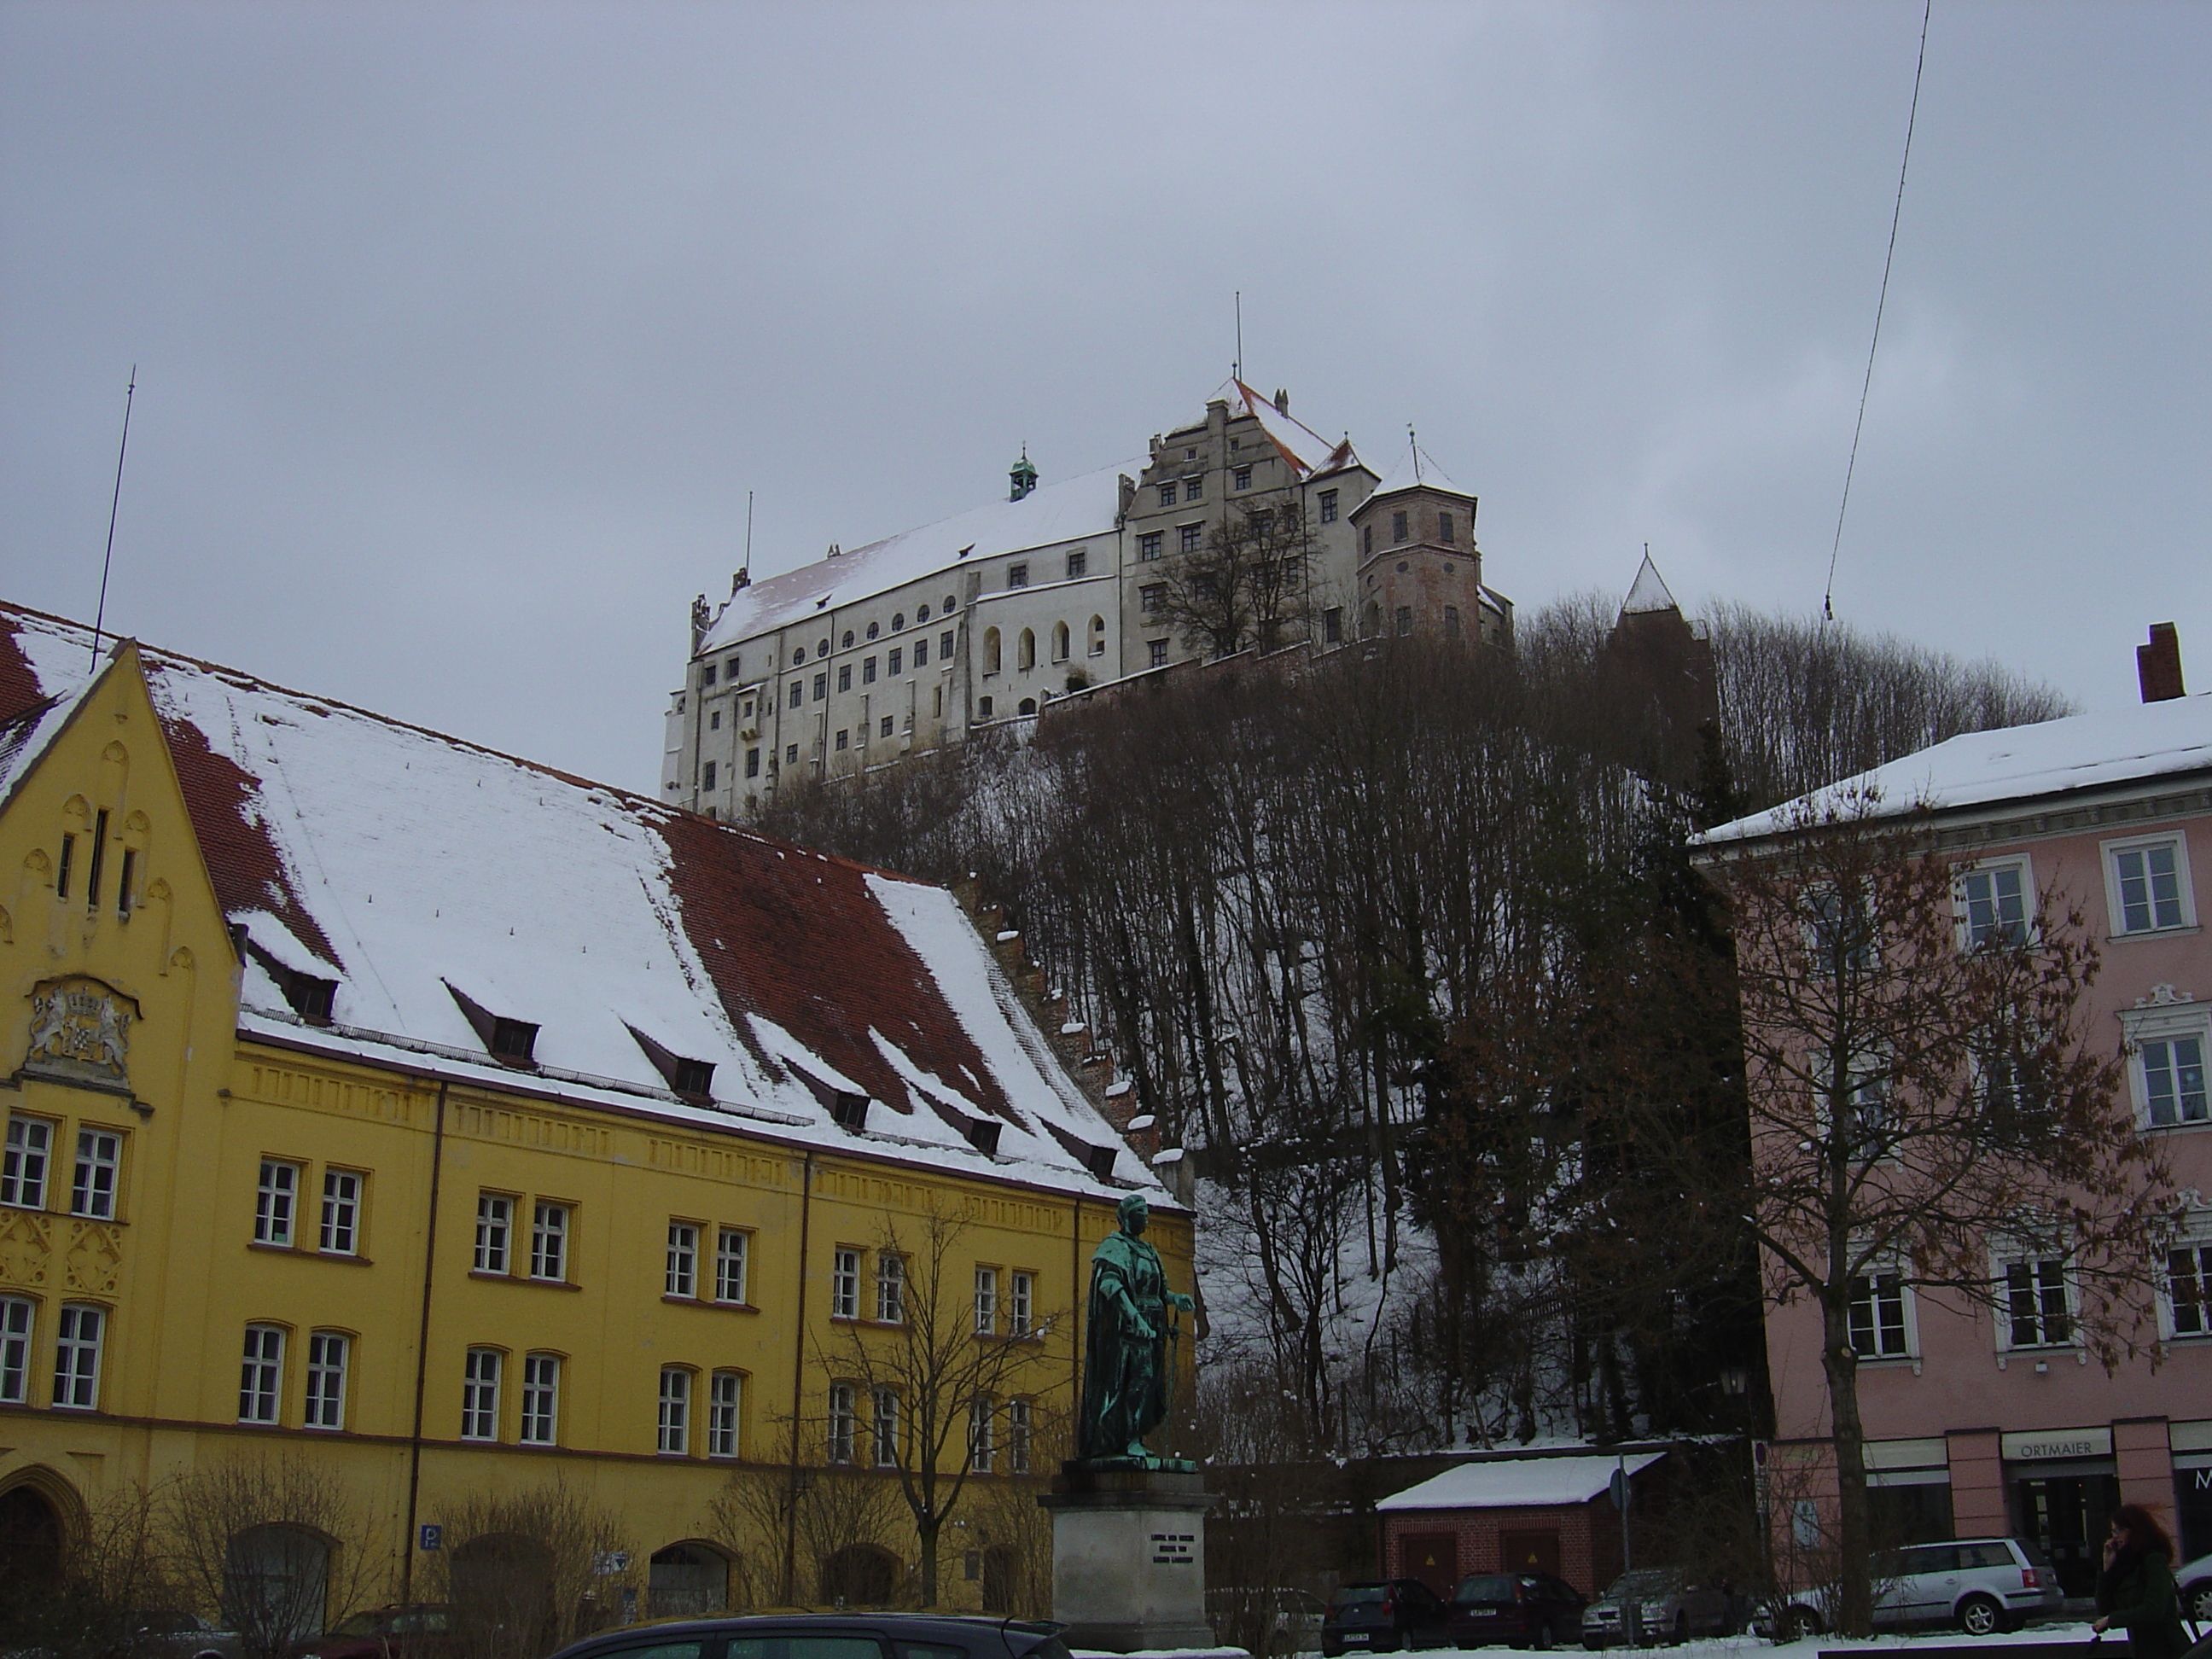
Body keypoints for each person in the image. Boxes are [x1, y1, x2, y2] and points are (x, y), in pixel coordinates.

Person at [1078, 1192, 1196, 1463]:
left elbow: (1160, 1289)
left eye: (1146, 1213)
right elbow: (1111, 1287)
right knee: (1136, 1379)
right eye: (1140, 1214)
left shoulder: (1149, 1251)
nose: (1146, 1219)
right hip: (1128, 1329)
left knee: (1150, 1381)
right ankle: (1125, 1437)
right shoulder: (1115, 1247)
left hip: (1155, 1326)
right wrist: (1135, 1318)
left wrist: (1176, 1299)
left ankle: (1136, 1437)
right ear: (1128, 1218)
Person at [2093, 1505, 2192, 1659]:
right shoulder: (2124, 1566)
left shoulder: (2153, 1560)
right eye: (2113, 1531)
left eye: (2120, 1530)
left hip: (2168, 1648)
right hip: (2142, 1651)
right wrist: (2106, 1570)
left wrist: (2112, 1620)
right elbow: (2105, 1609)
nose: (2115, 1537)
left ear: (2136, 1530)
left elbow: (2154, 1610)